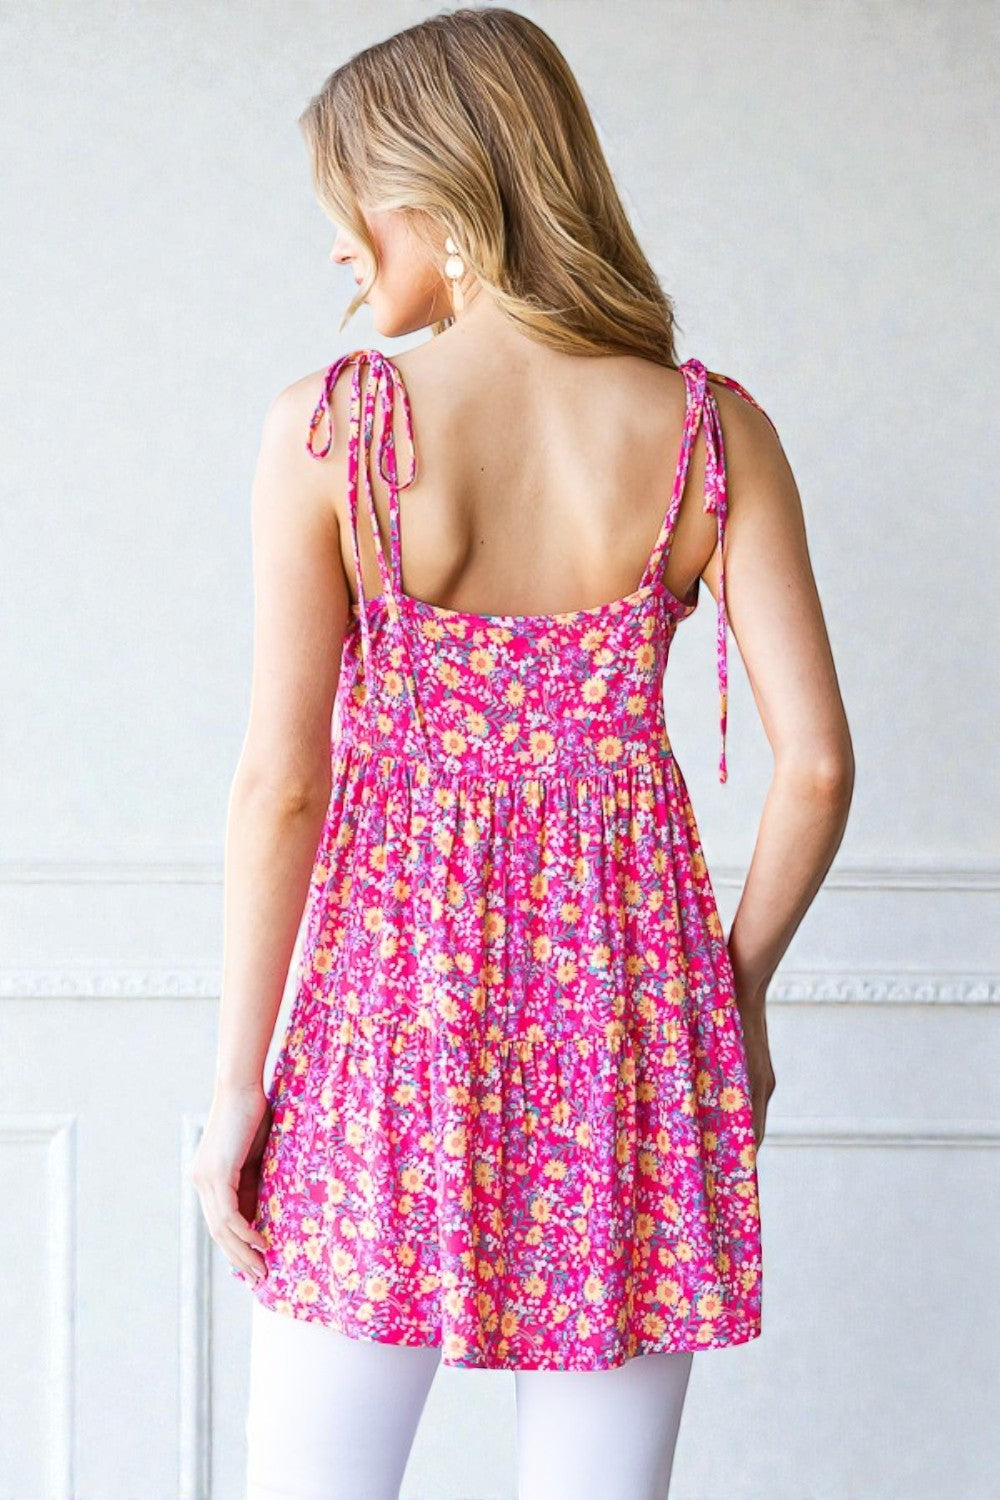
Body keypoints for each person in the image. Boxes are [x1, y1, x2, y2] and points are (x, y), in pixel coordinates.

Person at [190, 8, 855, 1498]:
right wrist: (731, 998)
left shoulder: (334, 430)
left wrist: (240, 1082)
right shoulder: (709, 433)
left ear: (433, 193)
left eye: (348, 209)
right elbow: (814, 767)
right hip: (631, 1020)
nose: (339, 251)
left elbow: (282, 783)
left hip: (388, 1028)